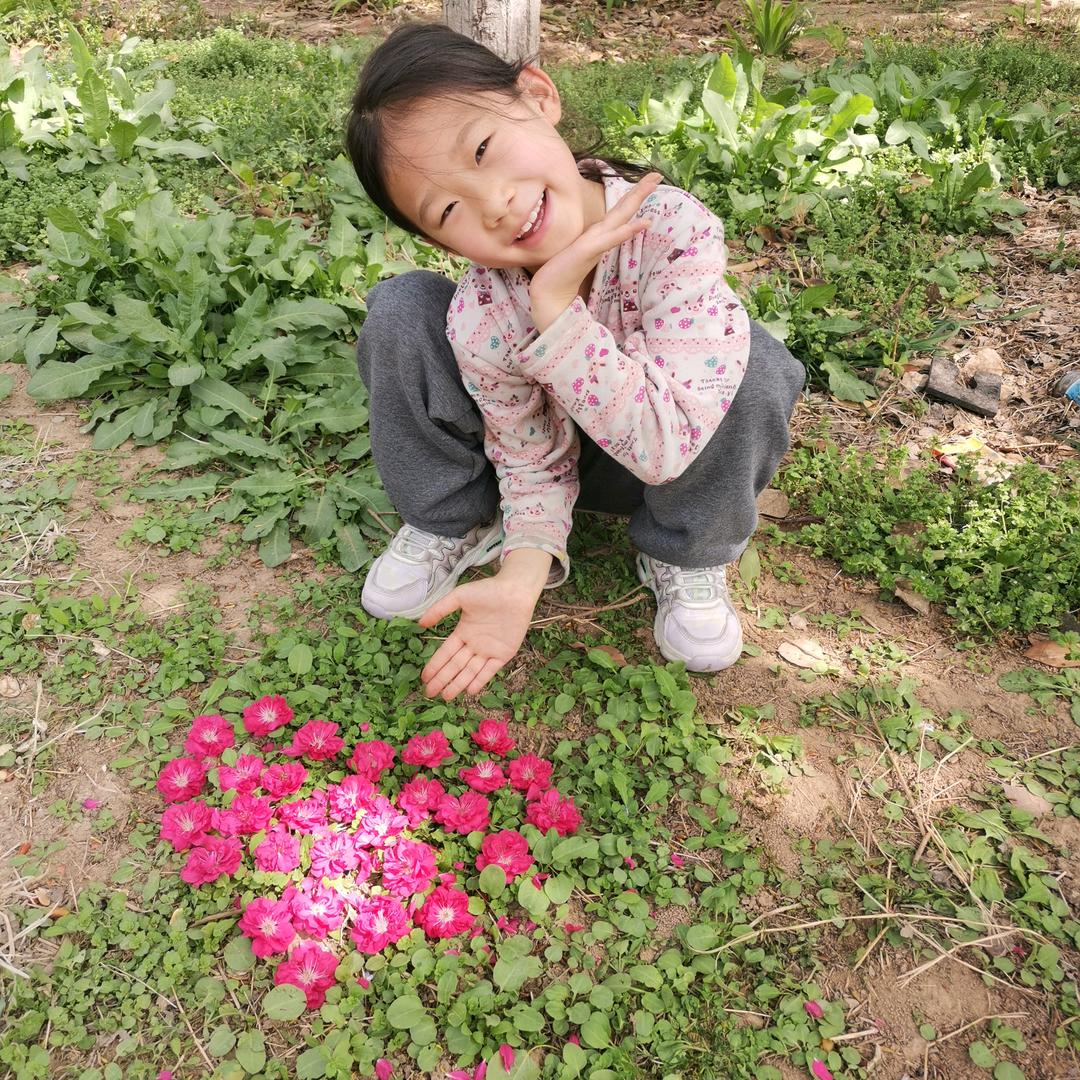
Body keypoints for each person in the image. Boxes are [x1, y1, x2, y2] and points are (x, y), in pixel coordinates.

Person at [345, 23, 804, 701]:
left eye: (483, 150)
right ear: (433, 238)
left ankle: (682, 548)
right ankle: (459, 519)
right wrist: (522, 579)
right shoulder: (483, 309)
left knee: (758, 365)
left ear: (536, 96)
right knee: (400, 308)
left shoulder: (671, 231)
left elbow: (664, 443)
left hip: (662, 461)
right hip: (534, 460)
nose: (495, 203)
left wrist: (557, 313)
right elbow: (530, 457)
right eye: (448, 210)